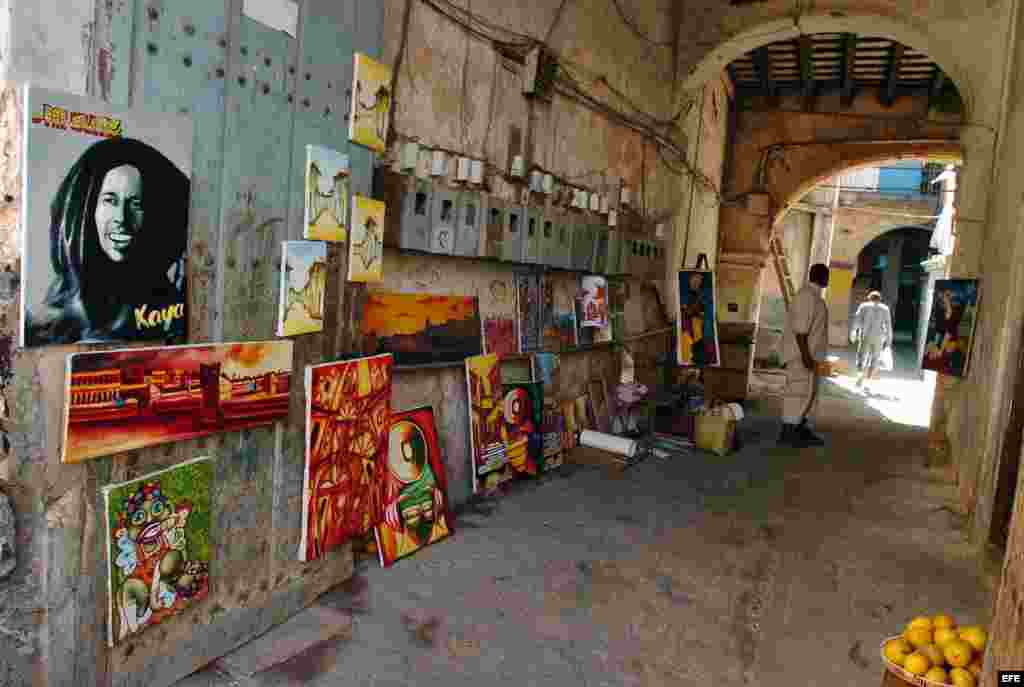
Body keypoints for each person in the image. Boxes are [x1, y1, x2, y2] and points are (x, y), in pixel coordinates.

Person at [26, 137, 190, 345]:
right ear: (88, 210)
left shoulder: (167, 308)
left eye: (135, 204)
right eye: (110, 201)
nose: (121, 218)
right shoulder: (51, 319)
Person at [780, 263, 830, 447]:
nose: (827, 278)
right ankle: (788, 434)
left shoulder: (813, 296)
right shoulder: (806, 297)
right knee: (797, 395)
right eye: (825, 275)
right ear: (818, 276)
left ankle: (801, 430)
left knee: (808, 396)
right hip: (800, 357)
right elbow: (800, 332)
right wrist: (806, 357)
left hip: (810, 357)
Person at [851, 291, 893, 392]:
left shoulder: (864, 306)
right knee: (875, 358)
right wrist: (888, 340)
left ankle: (860, 377)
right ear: (879, 299)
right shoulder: (885, 308)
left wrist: (853, 332)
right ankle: (868, 378)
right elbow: (888, 325)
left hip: (865, 336)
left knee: (861, 356)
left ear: (870, 298)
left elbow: (857, 320)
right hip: (879, 338)